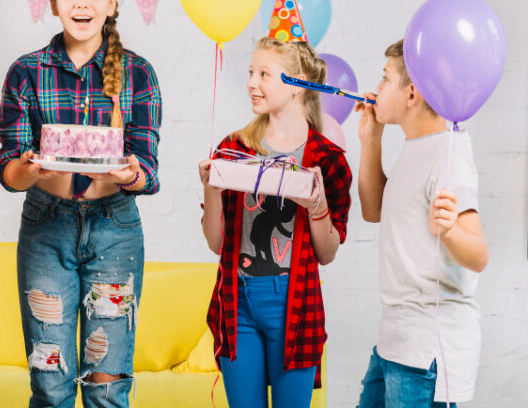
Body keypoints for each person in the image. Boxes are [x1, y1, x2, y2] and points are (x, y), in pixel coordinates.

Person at [0, 0, 162, 408]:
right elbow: (9, 172)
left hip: (115, 230)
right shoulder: (26, 73)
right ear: (52, 3)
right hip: (46, 228)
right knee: (50, 384)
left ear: (112, 3)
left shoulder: (138, 74)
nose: (81, 3)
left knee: (107, 386)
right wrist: (29, 169)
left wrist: (128, 173)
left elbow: (149, 171)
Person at [200, 36, 352, 408]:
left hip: (294, 304)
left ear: (299, 84)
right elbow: (217, 244)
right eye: (252, 72)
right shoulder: (233, 149)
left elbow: (328, 253)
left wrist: (316, 206)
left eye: (265, 74)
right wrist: (212, 190)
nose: (252, 82)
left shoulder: (327, 160)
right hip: (238, 302)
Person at [355, 40, 488, 408]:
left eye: (385, 79)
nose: (377, 88)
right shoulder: (417, 146)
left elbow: (478, 255)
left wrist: (449, 231)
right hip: (396, 342)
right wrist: (371, 142)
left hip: (427, 352)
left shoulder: (449, 155)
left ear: (410, 93)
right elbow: (372, 209)